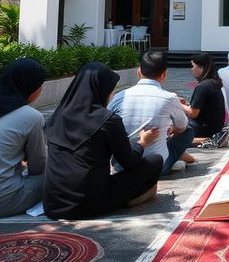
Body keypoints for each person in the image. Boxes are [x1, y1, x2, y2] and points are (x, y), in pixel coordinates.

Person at [43, 62, 162, 220]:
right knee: (155, 161)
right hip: (89, 203)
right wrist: (142, 142)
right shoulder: (108, 120)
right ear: (102, 89)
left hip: (53, 204)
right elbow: (129, 162)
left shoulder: (56, 116)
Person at [108, 50, 193, 175]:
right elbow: (181, 127)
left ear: (139, 72)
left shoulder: (120, 96)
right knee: (188, 131)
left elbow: (107, 123)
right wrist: (170, 130)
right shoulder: (169, 97)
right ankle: (171, 159)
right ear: (164, 74)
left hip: (122, 165)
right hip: (155, 166)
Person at [0, 58, 47, 217]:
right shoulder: (31, 117)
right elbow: (38, 167)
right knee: (59, 173)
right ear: (30, 87)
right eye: (40, 86)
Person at [179, 52, 229, 149]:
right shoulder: (213, 82)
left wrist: (177, 103)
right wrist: (187, 105)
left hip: (204, 127)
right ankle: (213, 137)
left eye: (193, 66)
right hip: (215, 125)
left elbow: (193, 113)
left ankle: (210, 139)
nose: (191, 69)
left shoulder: (203, 86)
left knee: (172, 131)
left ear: (201, 68)